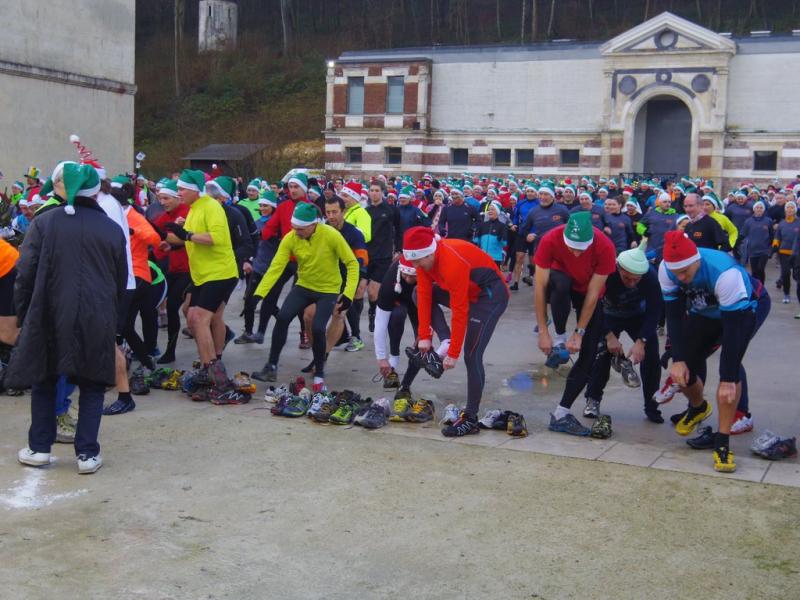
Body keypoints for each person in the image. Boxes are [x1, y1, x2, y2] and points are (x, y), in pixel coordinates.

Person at [12, 162, 128, 475]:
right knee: (92, 384)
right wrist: (113, 317)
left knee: (44, 378)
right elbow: (120, 279)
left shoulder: (43, 222)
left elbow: (25, 273)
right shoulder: (112, 229)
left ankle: (39, 448)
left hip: (49, 312)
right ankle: (87, 454)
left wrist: (23, 314)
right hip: (97, 314)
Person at [659, 231, 771, 473]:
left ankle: (722, 443)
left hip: (745, 309)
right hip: (706, 311)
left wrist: (728, 378)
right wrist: (678, 358)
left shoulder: (725, 273)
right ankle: (698, 407)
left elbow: (732, 332)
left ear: (696, 261)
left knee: (728, 374)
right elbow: (674, 316)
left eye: (685, 272)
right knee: (682, 369)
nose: (681, 278)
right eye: (676, 273)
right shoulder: (666, 270)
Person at [402, 226, 509, 437]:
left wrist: (453, 354)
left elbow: (460, 311)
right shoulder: (423, 259)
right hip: (468, 291)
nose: (415, 267)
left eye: (418, 262)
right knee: (416, 293)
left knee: (472, 355)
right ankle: (446, 340)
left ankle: (470, 419)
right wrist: (424, 336)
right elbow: (424, 294)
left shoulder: (451, 262)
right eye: (412, 262)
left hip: (489, 297)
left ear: (430, 253)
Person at [252, 203, 359, 392]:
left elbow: (352, 263)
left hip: (328, 289)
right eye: (294, 228)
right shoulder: (291, 237)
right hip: (304, 286)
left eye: (300, 229)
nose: (296, 232)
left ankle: (319, 373)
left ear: (313, 225)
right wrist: (258, 294)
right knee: (282, 317)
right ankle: (271, 366)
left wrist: (349, 294)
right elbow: (276, 267)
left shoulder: (331, 235)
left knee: (318, 328)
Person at [534, 211, 617, 436]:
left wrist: (579, 332)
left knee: (589, 354)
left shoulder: (605, 247)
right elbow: (540, 288)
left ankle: (561, 413)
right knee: (561, 284)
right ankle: (559, 338)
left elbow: (593, 294)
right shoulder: (550, 239)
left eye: (581, 249)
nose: (576, 253)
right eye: (572, 247)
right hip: (560, 283)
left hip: (587, 290)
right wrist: (543, 331)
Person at [167, 169, 242, 405]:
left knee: (200, 319)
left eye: (181, 189)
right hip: (202, 275)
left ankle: (216, 377)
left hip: (220, 272)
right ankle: (206, 371)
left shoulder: (211, 206)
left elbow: (215, 238)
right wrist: (168, 238)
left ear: (194, 190)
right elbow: (188, 238)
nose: (178, 193)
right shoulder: (194, 209)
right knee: (191, 317)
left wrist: (186, 234)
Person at [582, 241, 664, 424]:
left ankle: (652, 405)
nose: (632, 283)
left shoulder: (650, 276)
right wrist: (608, 336)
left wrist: (641, 341)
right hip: (608, 315)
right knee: (602, 353)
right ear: (618, 268)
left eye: (636, 280)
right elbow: (592, 306)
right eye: (627, 278)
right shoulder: (607, 273)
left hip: (638, 315)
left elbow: (655, 310)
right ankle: (593, 399)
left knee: (651, 356)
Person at [373, 256, 451, 410]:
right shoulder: (391, 280)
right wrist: (381, 358)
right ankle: (393, 362)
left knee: (422, 346)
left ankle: (405, 386)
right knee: (397, 315)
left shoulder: (430, 271)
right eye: (405, 275)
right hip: (399, 299)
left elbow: (434, 311)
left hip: (421, 299)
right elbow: (380, 321)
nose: (408, 279)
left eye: (412, 275)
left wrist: (425, 335)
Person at [151, 179, 191, 363]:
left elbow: (184, 239)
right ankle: (168, 350)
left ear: (177, 198)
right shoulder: (164, 216)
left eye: (166, 198)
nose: (162, 202)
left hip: (192, 269)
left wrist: (166, 239)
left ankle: (170, 351)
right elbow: (153, 232)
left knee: (175, 306)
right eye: (160, 198)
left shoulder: (187, 213)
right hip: (174, 268)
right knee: (174, 307)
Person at [236, 192, 279, 344]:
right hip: (258, 267)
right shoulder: (257, 223)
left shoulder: (278, 225)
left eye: (265, 205)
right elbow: (250, 244)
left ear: (273, 207)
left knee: (269, 303)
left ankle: (283, 324)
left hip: (273, 269)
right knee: (250, 301)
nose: (262, 208)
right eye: (261, 205)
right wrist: (247, 260)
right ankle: (248, 332)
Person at [515, 183, 570, 291]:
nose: (543, 197)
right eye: (541, 194)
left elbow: (571, 225)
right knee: (543, 281)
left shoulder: (562, 210)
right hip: (541, 248)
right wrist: (527, 235)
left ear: (552, 196)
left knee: (559, 280)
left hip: (560, 249)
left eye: (546, 194)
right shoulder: (534, 211)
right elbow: (524, 228)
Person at [364, 181, 399, 340]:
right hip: (367, 255)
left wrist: (398, 249)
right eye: (371, 190)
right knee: (364, 291)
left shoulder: (391, 210)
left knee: (373, 292)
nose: (374, 193)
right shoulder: (365, 211)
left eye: (377, 190)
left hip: (383, 256)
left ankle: (374, 313)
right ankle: (372, 311)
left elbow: (399, 229)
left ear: (383, 192)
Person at [510, 185, 539, 289]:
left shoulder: (539, 203)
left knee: (533, 259)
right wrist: (514, 224)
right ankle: (516, 283)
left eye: (532, 191)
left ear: (536, 193)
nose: (530, 193)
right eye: (528, 191)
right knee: (519, 256)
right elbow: (516, 216)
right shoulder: (521, 203)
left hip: (535, 234)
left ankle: (531, 276)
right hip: (522, 233)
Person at [636, 191, 676, 261]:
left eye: (669, 202)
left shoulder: (675, 215)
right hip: (652, 248)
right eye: (665, 202)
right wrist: (644, 231)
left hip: (667, 250)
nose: (667, 204)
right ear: (659, 203)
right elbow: (640, 224)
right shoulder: (652, 213)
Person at [739, 201, 773, 284]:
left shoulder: (768, 221)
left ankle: (761, 286)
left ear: (763, 210)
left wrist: (771, 248)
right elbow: (743, 234)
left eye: (761, 208)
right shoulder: (748, 221)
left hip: (764, 250)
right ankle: (755, 287)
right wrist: (736, 242)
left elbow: (772, 235)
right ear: (754, 209)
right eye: (757, 207)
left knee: (760, 269)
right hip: (752, 250)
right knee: (754, 271)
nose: (759, 209)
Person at [773, 201, 800, 304]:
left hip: (797, 253)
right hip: (783, 252)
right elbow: (777, 236)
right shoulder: (782, 223)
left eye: (792, 208)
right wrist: (775, 244)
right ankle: (786, 294)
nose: (789, 209)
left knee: (797, 276)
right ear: (785, 210)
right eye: (788, 207)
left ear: (795, 210)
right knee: (785, 273)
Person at [475, 200, 507, 267]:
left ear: (497, 212)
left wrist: (501, 238)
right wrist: (476, 236)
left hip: (495, 258)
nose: (490, 211)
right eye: (489, 210)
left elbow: (504, 244)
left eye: (492, 209)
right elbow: (477, 242)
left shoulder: (502, 226)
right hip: (483, 257)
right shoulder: (483, 225)